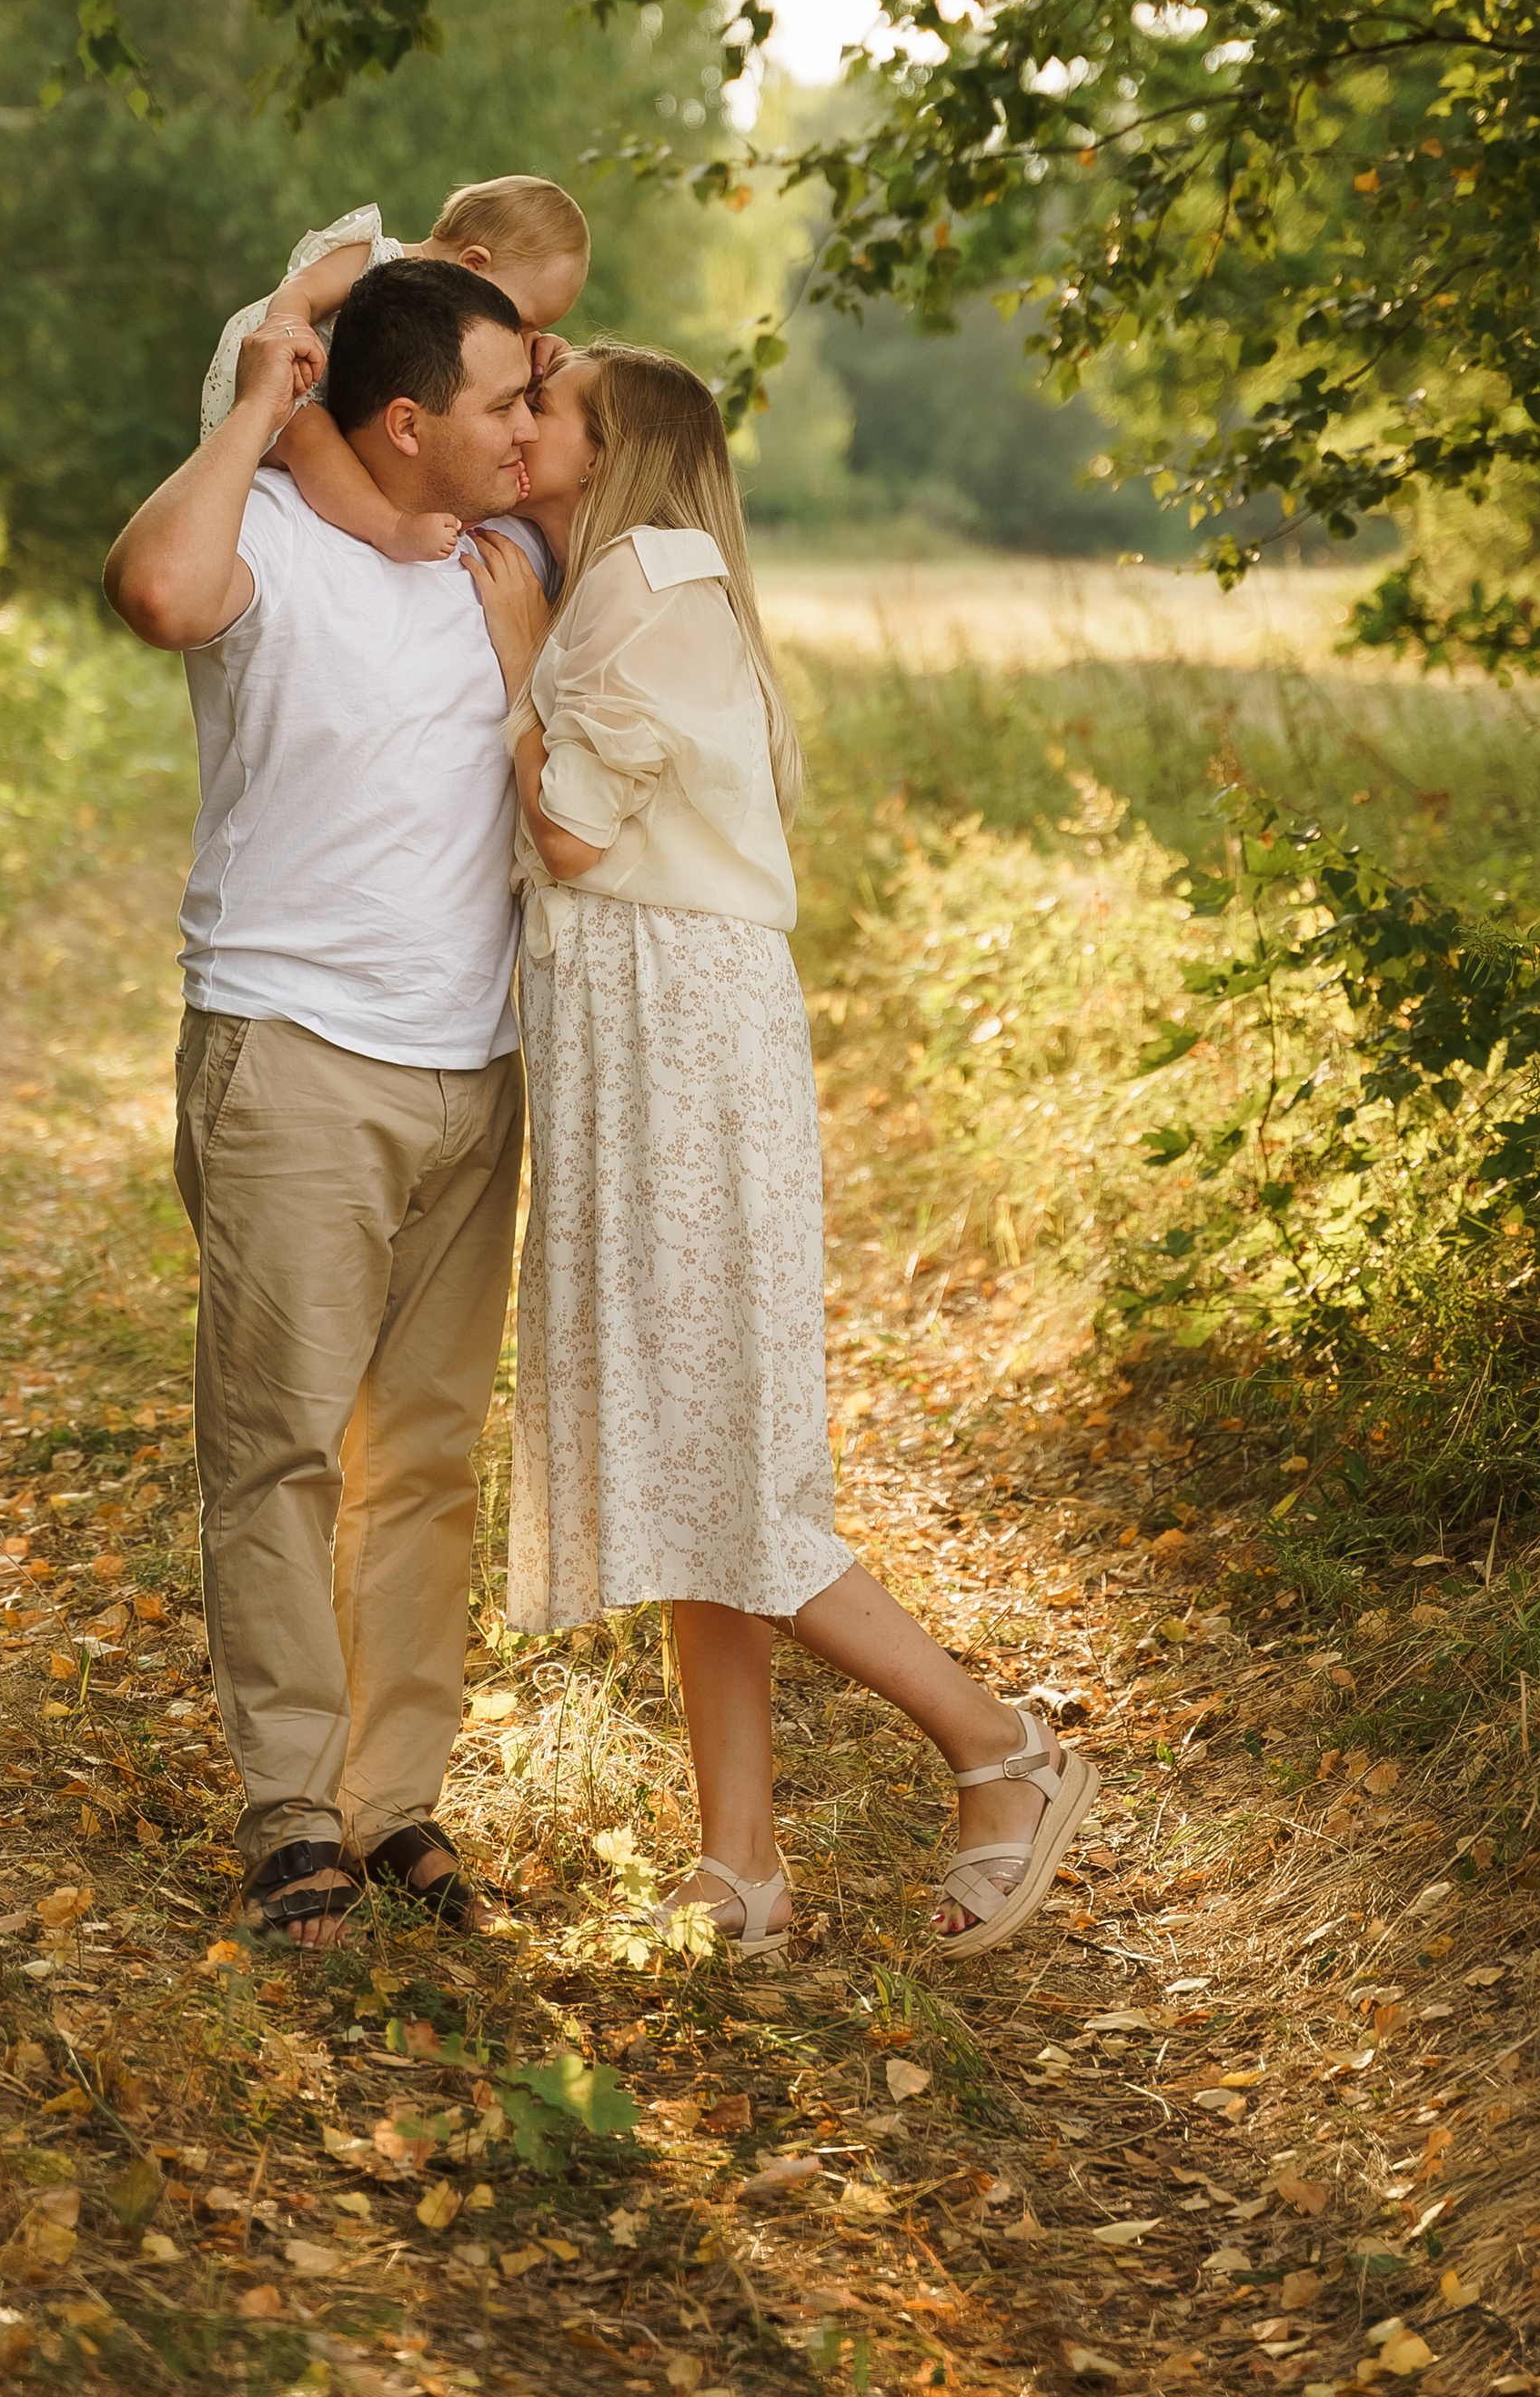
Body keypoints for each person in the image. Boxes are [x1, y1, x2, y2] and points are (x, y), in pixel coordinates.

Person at [461, 345, 1098, 1958]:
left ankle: (998, 1749)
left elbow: (574, 833)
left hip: (681, 1043)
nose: (521, 427)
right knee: (691, 1453)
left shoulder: (640, 586)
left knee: (730, 1466)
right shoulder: (634, 578)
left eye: (551, 410)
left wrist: (522, 652)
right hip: (649, 1038)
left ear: (622, 454)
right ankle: (740, 1862)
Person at [105, 258, 546, 1947]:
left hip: (471, 1072)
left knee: (424, 1460)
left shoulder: (494, 564)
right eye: (499, 401)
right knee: (279, 1449)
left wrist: (532, 373)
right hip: (292, 1060)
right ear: (408, 418)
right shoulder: (262, 543)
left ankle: (395, 1803)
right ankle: (293, 1811)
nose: (526, 425)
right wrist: (259, 403)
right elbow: (154, 588)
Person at [199, 176, 590, 568]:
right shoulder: (373, 258)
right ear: (474, 265)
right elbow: (302, 290)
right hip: (281, 374)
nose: (524, 334)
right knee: (309, 436)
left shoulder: (452, 322)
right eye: (524, 321)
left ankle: (455, 517)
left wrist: (545, 363)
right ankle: (388, 527)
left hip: (347, 392)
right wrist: (288, 332)